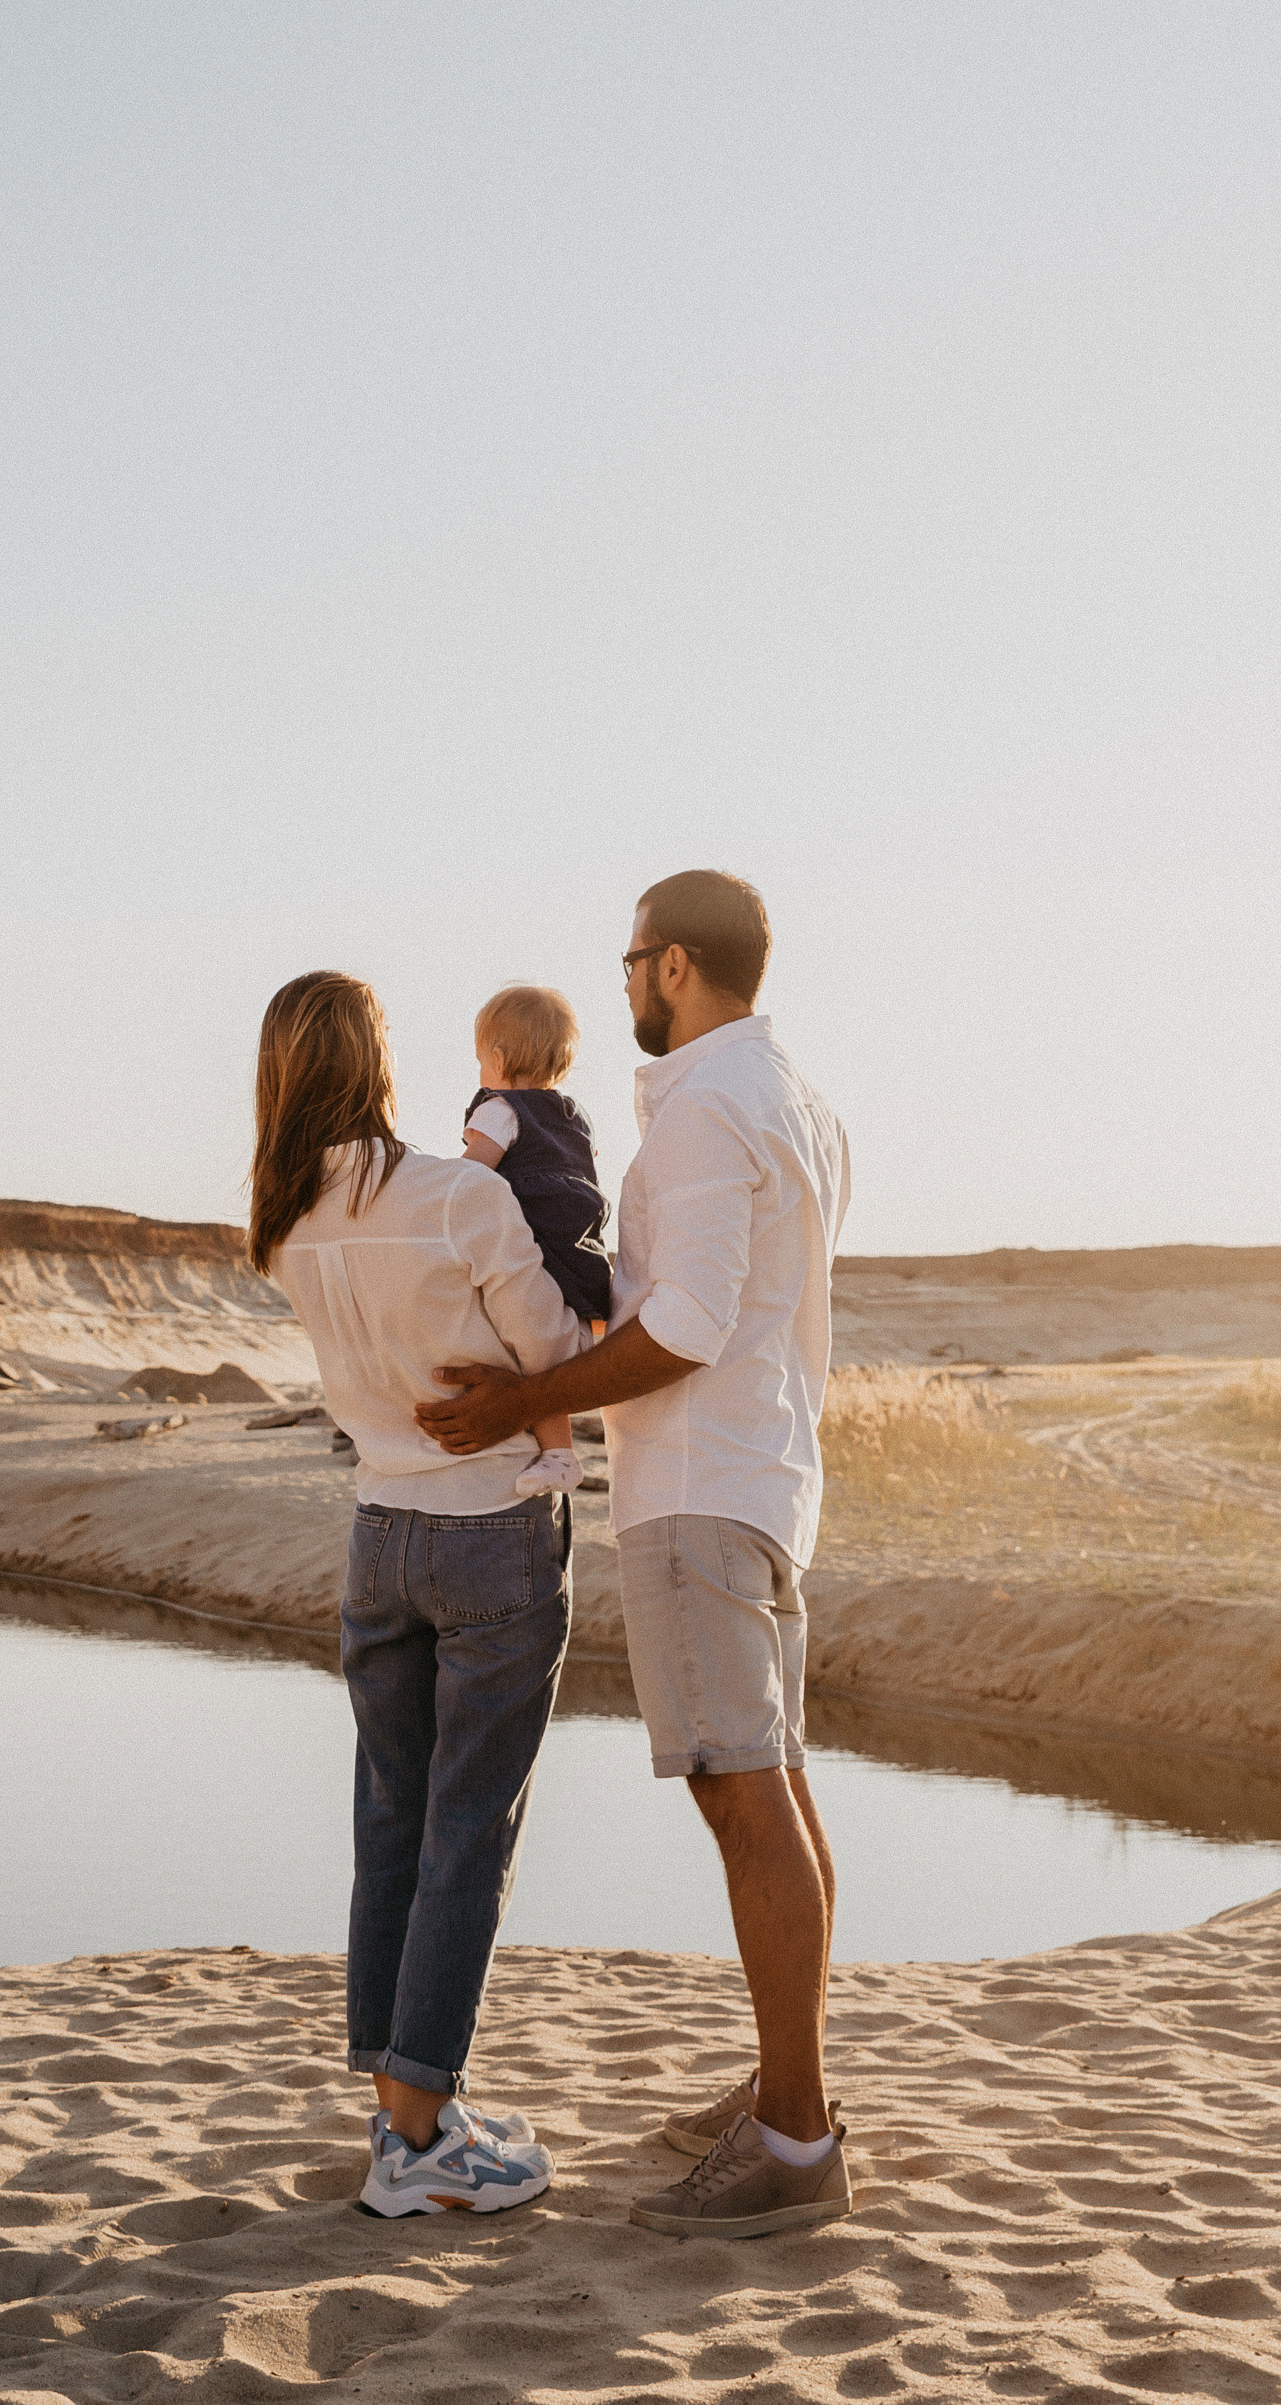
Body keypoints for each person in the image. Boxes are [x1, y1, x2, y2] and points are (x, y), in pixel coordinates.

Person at [415, 868, 854, 2243]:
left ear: (674, 965)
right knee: (769, 1779)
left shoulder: (715, 1108)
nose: (618, 989)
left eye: (628, 965)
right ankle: (786, 2087)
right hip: (763, 1475)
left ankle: (794, 2138)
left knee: (740, 1794)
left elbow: (690, 1326)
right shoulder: (791, 1099)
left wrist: (510, 1403)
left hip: (699, 1486)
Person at [249, 969, 589, 2218]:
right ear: (374, 1060)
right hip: (491, 1529)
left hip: (375, 1534)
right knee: (466, 1829)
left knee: (392, 1818)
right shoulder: (458, 1195)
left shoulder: (287, 1219)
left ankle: (399, 2100)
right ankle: (416, 2132)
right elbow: (555, 1348)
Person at [459, 982, 610, 1498]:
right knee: (544, 1345)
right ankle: (558, 1452)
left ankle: (560, 1456)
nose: (481, 1073)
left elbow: (469, 1181)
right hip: (576, 1249)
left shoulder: (498, 1110)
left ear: (498, 1059)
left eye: (480, 1061)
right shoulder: (573, 1117)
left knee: (536, 1347)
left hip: (532, 1244)